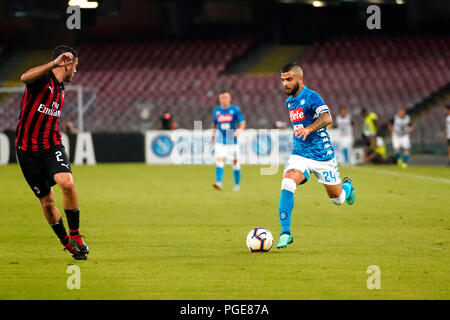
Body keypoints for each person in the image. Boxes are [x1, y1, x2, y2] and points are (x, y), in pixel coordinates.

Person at [15, 45, 89, 260]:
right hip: (27, 151)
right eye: (75, 66)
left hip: (51, 146)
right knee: (47, 201)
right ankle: (67, 243)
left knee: (67, 183)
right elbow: (24, 77)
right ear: (66, 63)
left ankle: (75, 236)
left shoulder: (60, 89)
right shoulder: (42, 80)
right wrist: (53, 64)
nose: (75, 71)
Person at [276, 62, 356, 249]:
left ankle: (348, 187)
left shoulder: (312, 97)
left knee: (337, 199)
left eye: (289, 79)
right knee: (287, 182)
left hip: (322, 156)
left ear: (299, 79)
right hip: (300, 154)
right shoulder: (289, 102)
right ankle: (285, 233)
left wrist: (309, 128)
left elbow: (327, 118)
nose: (285, 84)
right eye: (282, 80)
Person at [211, 91, 245, 191]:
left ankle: (237, 185)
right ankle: (219, 182)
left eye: (225, 97)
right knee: (220, 159)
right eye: (222, 97)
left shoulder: (235, 110)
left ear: (229, 98)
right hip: (220, 138)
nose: (223, 99)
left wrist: (239, 130)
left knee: (235, 162)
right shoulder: (216, 110)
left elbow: (242, 122)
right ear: (219, 99)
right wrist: (213, 137)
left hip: (231, 137)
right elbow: (214, 124)